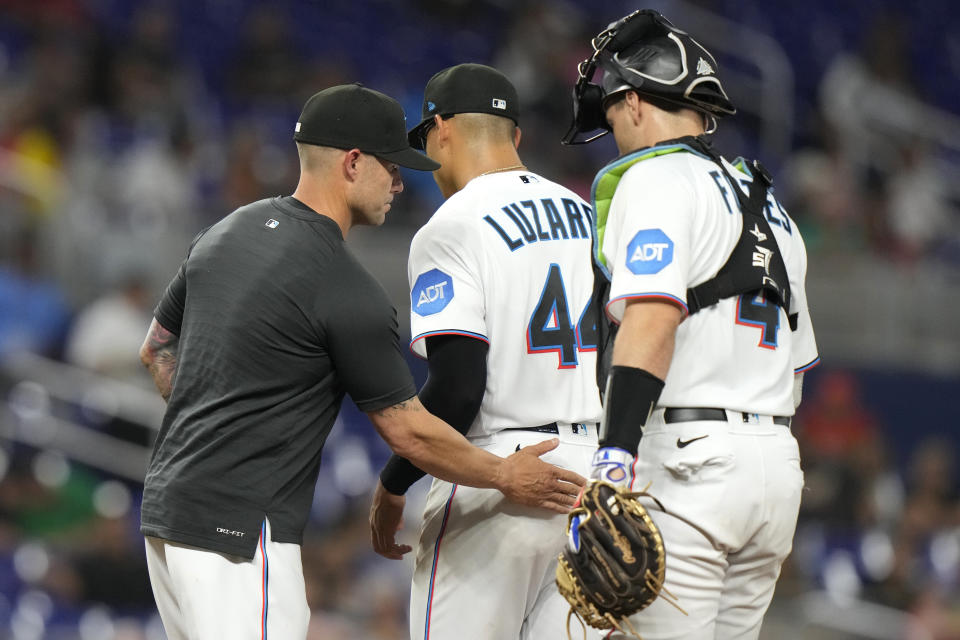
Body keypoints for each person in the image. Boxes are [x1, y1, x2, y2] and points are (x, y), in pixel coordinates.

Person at [137, 83, 585, 640]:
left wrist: (215, 420)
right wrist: (502, 474)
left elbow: (156, 348)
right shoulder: (344, 284)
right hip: (240, 531)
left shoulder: (223, 234)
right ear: (352, 163)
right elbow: (409, 433)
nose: (401, 181)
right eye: (391, 166)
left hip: (166, 514)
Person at [561, 10, 820, 639]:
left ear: (637, 103)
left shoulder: (656, 178)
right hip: (775, 466)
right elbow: (800, 366)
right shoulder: (772, 207)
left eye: (615, 112)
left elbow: (650, 324)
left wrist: (613, 459)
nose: (615, 128)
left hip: (690, 465)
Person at [367, 64, 603, 639]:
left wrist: (394, 482)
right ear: (515, 136)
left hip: (500, 479)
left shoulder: (452, 224)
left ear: (440, 129)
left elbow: (455, 392)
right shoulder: (586, 214)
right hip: (589, 477)